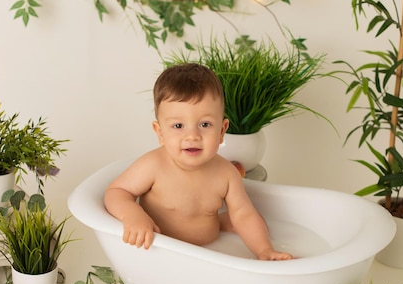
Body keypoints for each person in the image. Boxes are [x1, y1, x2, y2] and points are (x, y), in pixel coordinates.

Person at [104, 63, 293, 261]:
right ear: (160, 132)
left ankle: (257, 243)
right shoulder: (153, 166)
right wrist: (133, 215)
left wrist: (264, 251)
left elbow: (243, 214)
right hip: (161, 254)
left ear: (221, 131)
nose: (192, 136)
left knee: (251, 219)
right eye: (178, 125)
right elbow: (116, 192)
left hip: (211, 251)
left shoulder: (226, 173)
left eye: (205, 124)